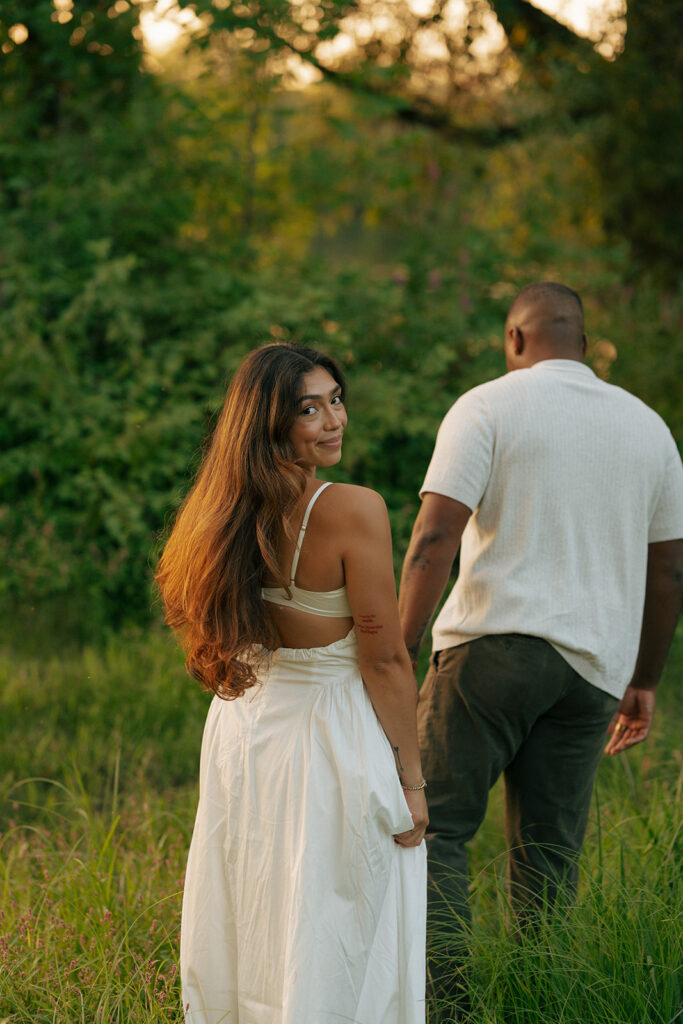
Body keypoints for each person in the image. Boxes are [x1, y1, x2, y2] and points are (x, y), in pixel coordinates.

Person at [398, 282, 683, 1009]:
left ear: (514, 340)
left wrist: (396, 650)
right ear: (584, 347)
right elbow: (668, 568)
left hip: (489, 655)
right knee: (548, 860)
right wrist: (642, 678)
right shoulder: (648, 427)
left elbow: (434, 536)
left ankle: (448, 1006)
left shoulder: (487, 404)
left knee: (437, 832)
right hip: (591, 674)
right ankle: (538, 1003)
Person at [156, 342, 428, 1024]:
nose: (333, 420)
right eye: (309, 408)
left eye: (336, 400)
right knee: (335, 919)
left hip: (245, 728)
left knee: (253, 905)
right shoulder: (351, 509)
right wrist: (413, 779)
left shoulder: (211, 513)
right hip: (327, 733)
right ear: (270, 422)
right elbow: (385, 658)